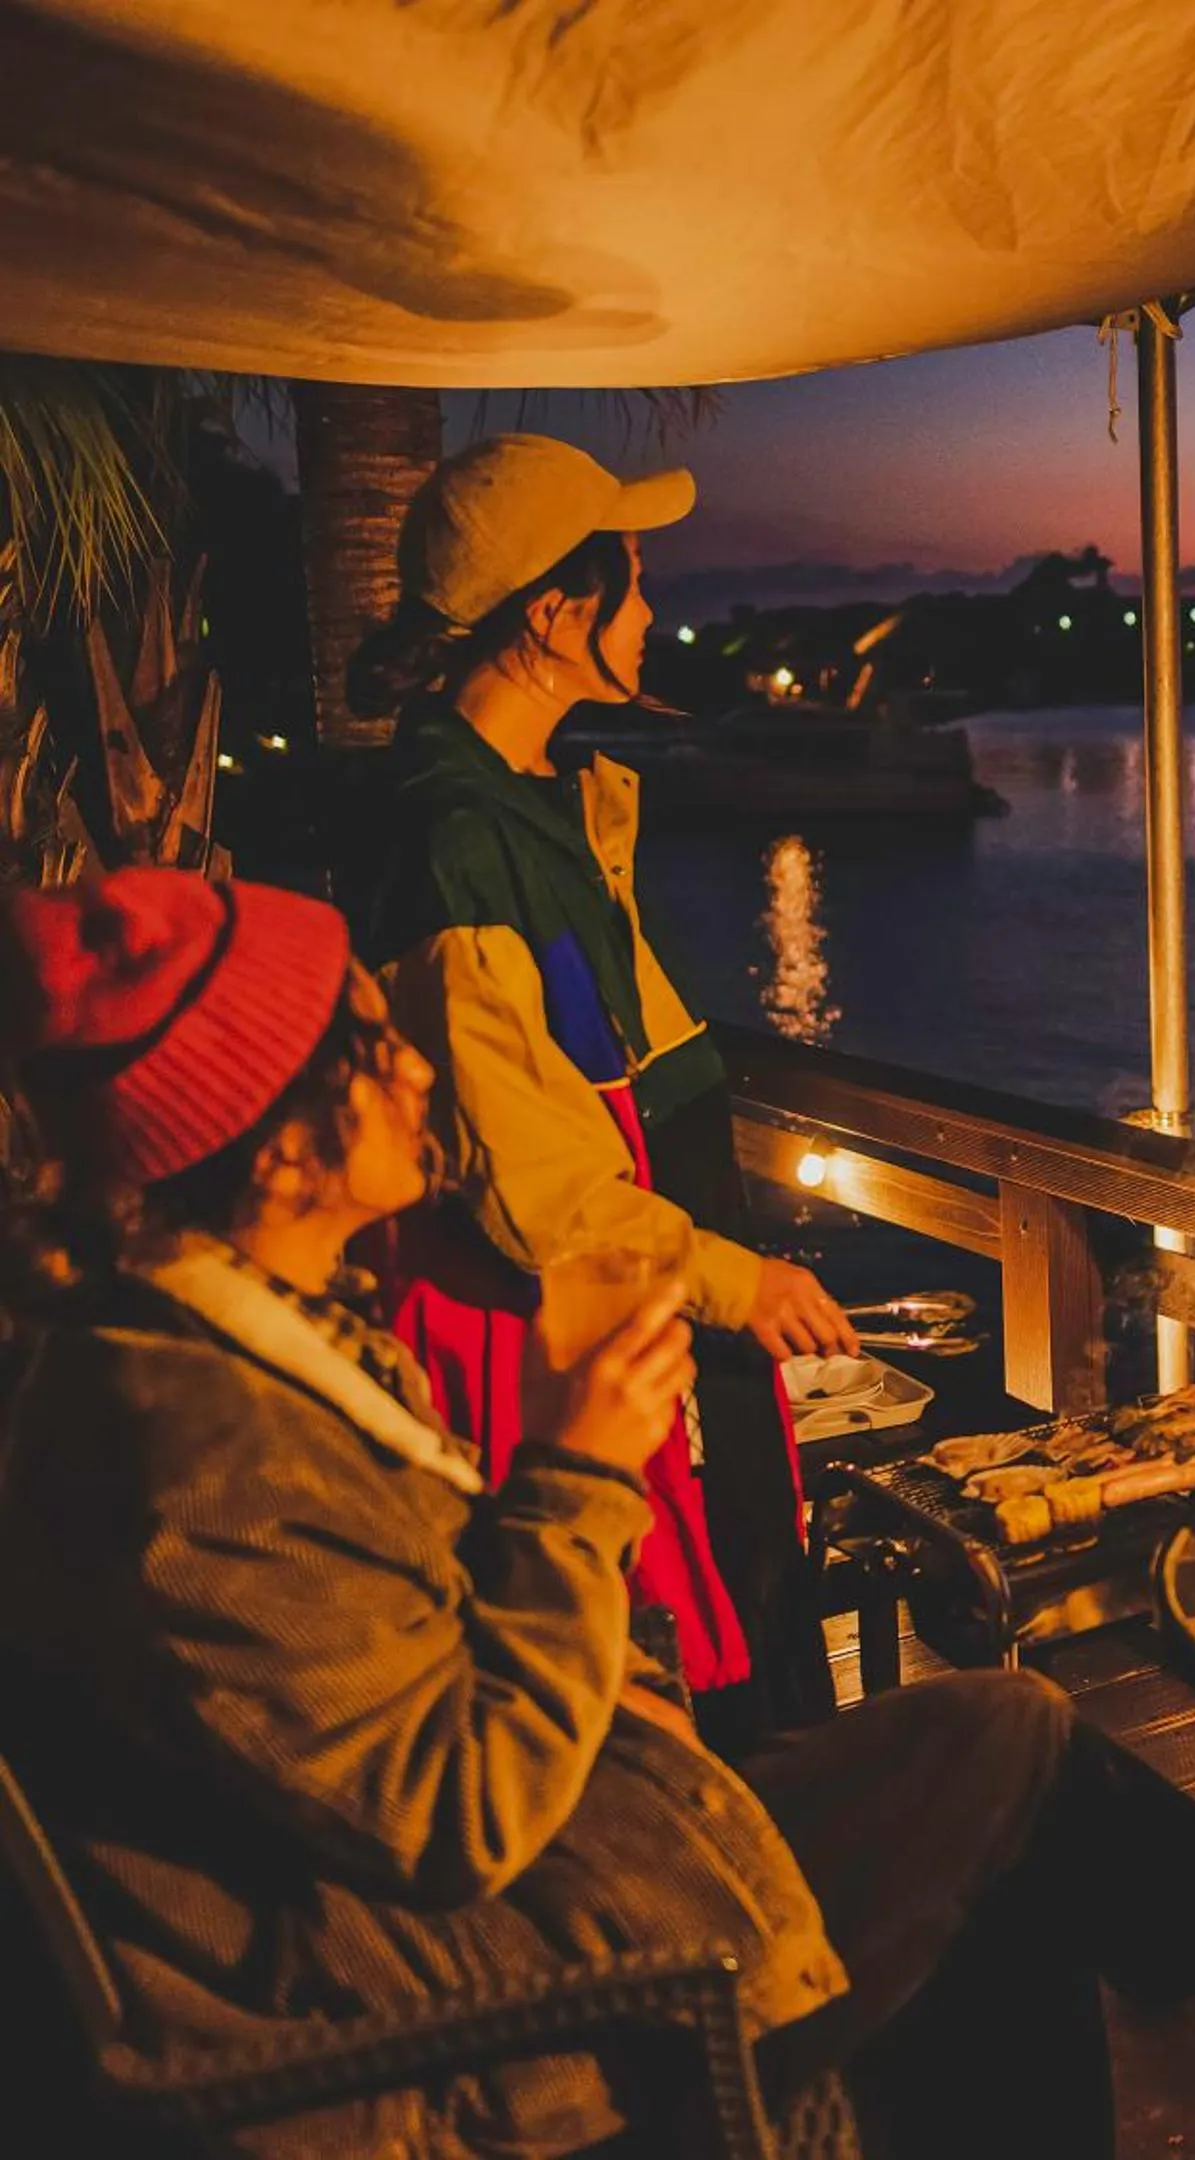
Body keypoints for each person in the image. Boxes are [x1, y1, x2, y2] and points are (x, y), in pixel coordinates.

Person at [0, 870, 1195, 2157]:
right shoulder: (187, 1464)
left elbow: (409, 1669)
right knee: (1008, 1826)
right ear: (278, 1143)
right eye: (376, 1046)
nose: (427, 1074)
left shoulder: (245, 1348)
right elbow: (451, 1816)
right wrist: (576, 1476)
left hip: (573, 1854)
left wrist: (627, 1658)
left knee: (1007, 1746)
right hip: (511, 2005)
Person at [340, 433, 846, 1746]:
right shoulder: (451, 837)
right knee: (631, 1701)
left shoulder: (531, 802)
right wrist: (742, 1280)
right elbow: (531, 1180)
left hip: (617, 1310)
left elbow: (611, 1062)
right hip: (541, 1346)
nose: (652, 608)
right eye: (630, 581)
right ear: (554, 616)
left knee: (710, 1645)